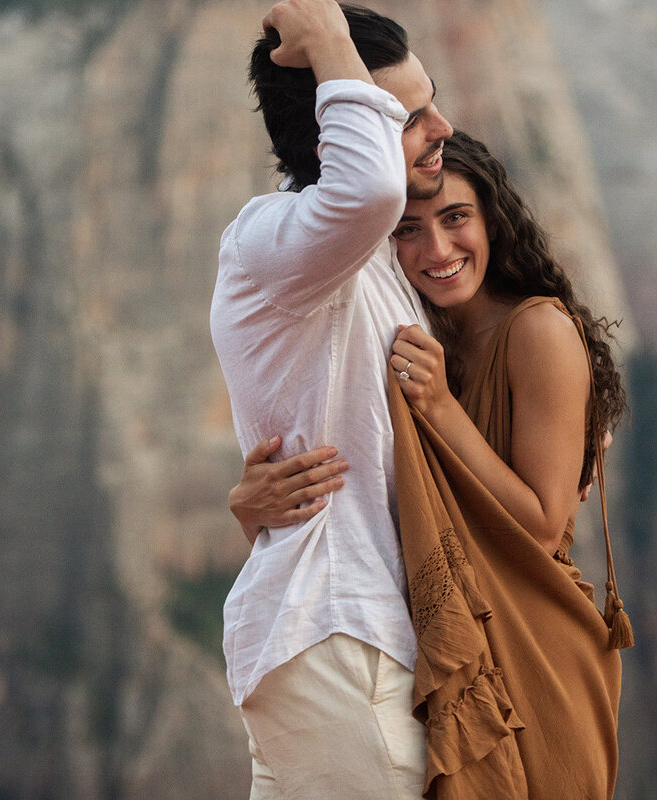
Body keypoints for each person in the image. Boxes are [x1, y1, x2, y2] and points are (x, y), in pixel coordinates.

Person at [232, 130, 632, 798]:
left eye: (456, 219)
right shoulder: (410, 332)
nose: (437, 251)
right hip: (439, 655)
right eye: (408, 230)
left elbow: (537, 524)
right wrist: (248, 506)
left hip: (535, 654)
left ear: (493, 223)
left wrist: (443, 407)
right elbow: (370, 504)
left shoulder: (537, 329)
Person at [209, 1, 452, 797]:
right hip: (339, 636)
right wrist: (327, 40)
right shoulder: (269, 237)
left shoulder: (369, 251)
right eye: (409, 116)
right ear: (340, 134)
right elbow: (368, 188)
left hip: (353, 639)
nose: (440, 126)